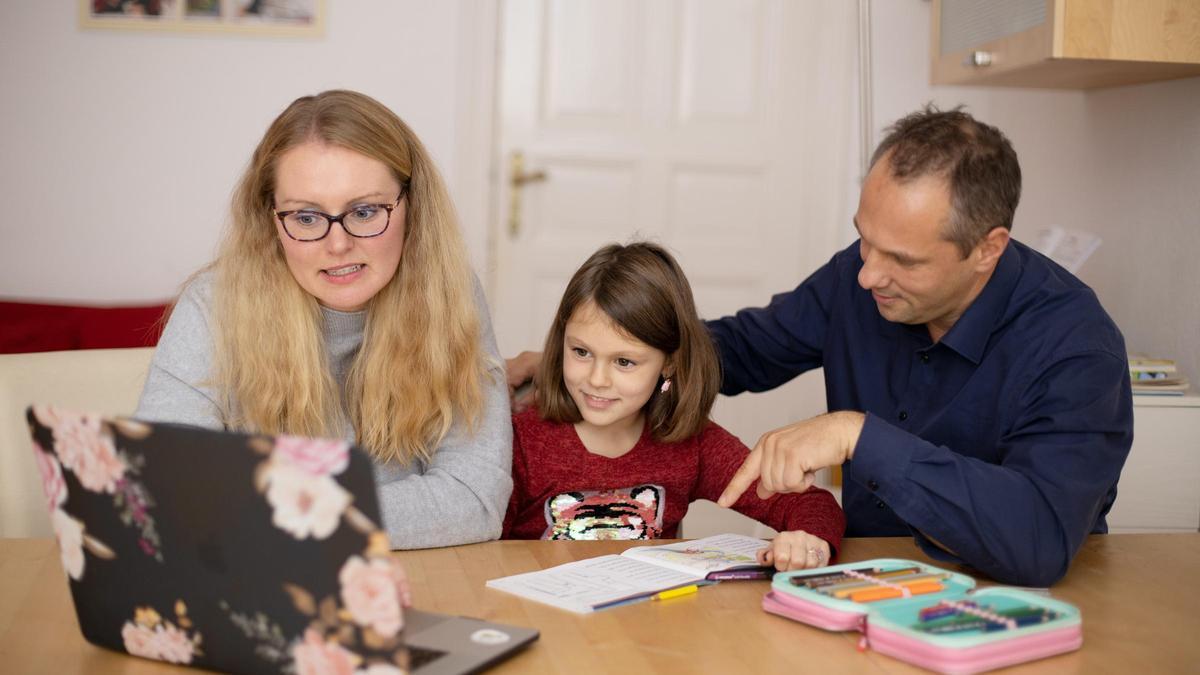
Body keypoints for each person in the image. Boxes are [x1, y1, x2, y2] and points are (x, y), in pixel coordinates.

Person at [509, 106, 1133, 586]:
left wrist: (860, 436)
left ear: (987, 250)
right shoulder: (857, 280)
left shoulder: (1077, 348)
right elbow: (742, 349)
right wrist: (624, 355)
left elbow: (1040, 539)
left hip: (1006, 596)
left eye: (902, 260)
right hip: (856, 580)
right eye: (865, 240)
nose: (866, 276)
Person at [137, 90, 512, 550]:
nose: (337, 245)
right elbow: (163, 494)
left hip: (418, 579)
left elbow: (474, 500)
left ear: (412, 206)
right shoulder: (211, 308)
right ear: (270, 219)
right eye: (307, 217)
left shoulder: (452, 295)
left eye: (365, 211)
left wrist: (266, 514)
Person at [503, 242, 845, 571]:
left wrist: (807, 542)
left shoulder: (692, 445)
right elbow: (480, 551)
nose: (596, 379)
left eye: (623, 361)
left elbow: (811, 503)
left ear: (668, 364)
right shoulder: (521, 443)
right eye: (581, 352)